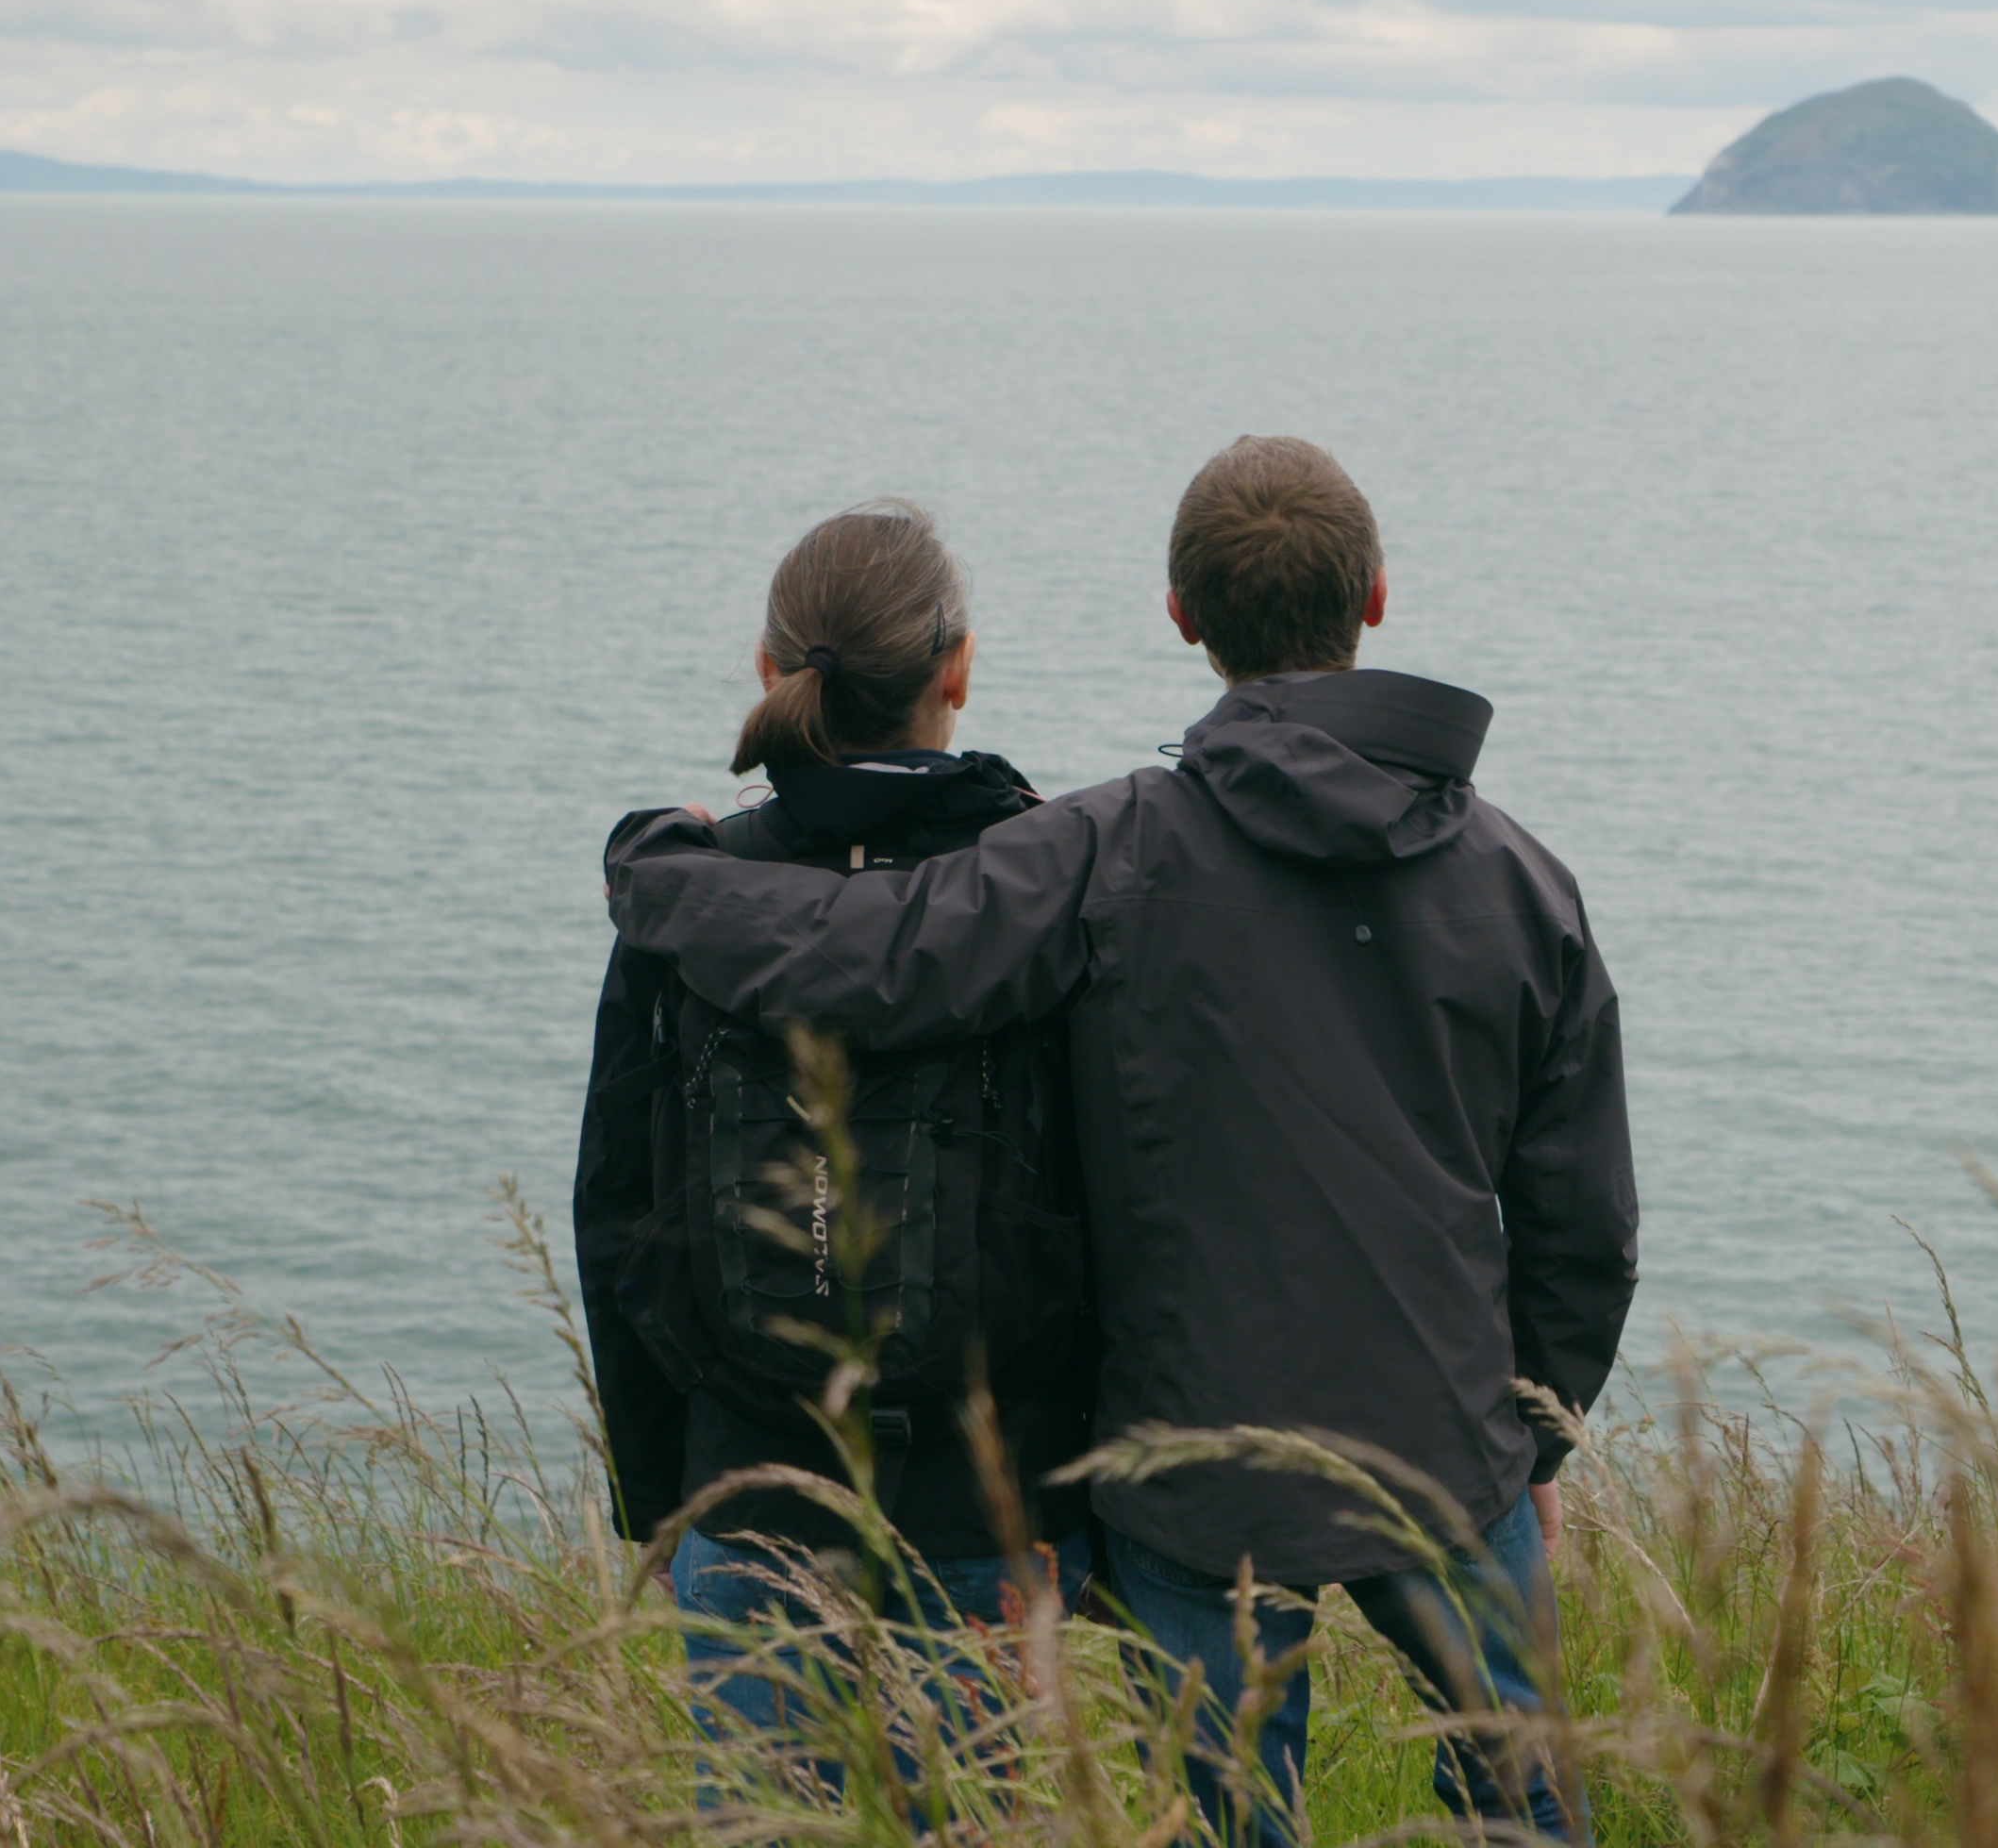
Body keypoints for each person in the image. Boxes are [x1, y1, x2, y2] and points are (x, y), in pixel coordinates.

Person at [602, 436, 1638, 1846]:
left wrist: (662, 872)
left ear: (1181, 616)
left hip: (1192, 1475)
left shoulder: (1106, 852)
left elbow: (867, 957)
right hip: (1451, 1452)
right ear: (1377, 598)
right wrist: (1539, 1435)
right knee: (1525, 1808)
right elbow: (1583, 1222)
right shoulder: (1524, 880)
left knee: (1219, 1825)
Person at [572, 499, 1096, 1806]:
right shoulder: (1041, 892)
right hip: (993, 1504)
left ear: (770, 675)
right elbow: (1118, 1198)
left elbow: (618, 1207)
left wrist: (667, 1499)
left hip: (744, 1490)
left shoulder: (685, 900)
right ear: (956, 673)